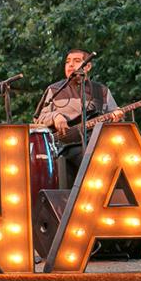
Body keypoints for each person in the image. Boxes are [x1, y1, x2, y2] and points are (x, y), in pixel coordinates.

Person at [33, 49, 124, 182]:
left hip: (98, 143)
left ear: (87, 66)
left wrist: (117, 118)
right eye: (67, 62)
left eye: (76, 61)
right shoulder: (54, 90)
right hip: (65, 145)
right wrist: (55, 116)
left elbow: (114, 116)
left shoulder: (102, 91)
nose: (70, 65)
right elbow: (38, 119)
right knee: (90, 157)